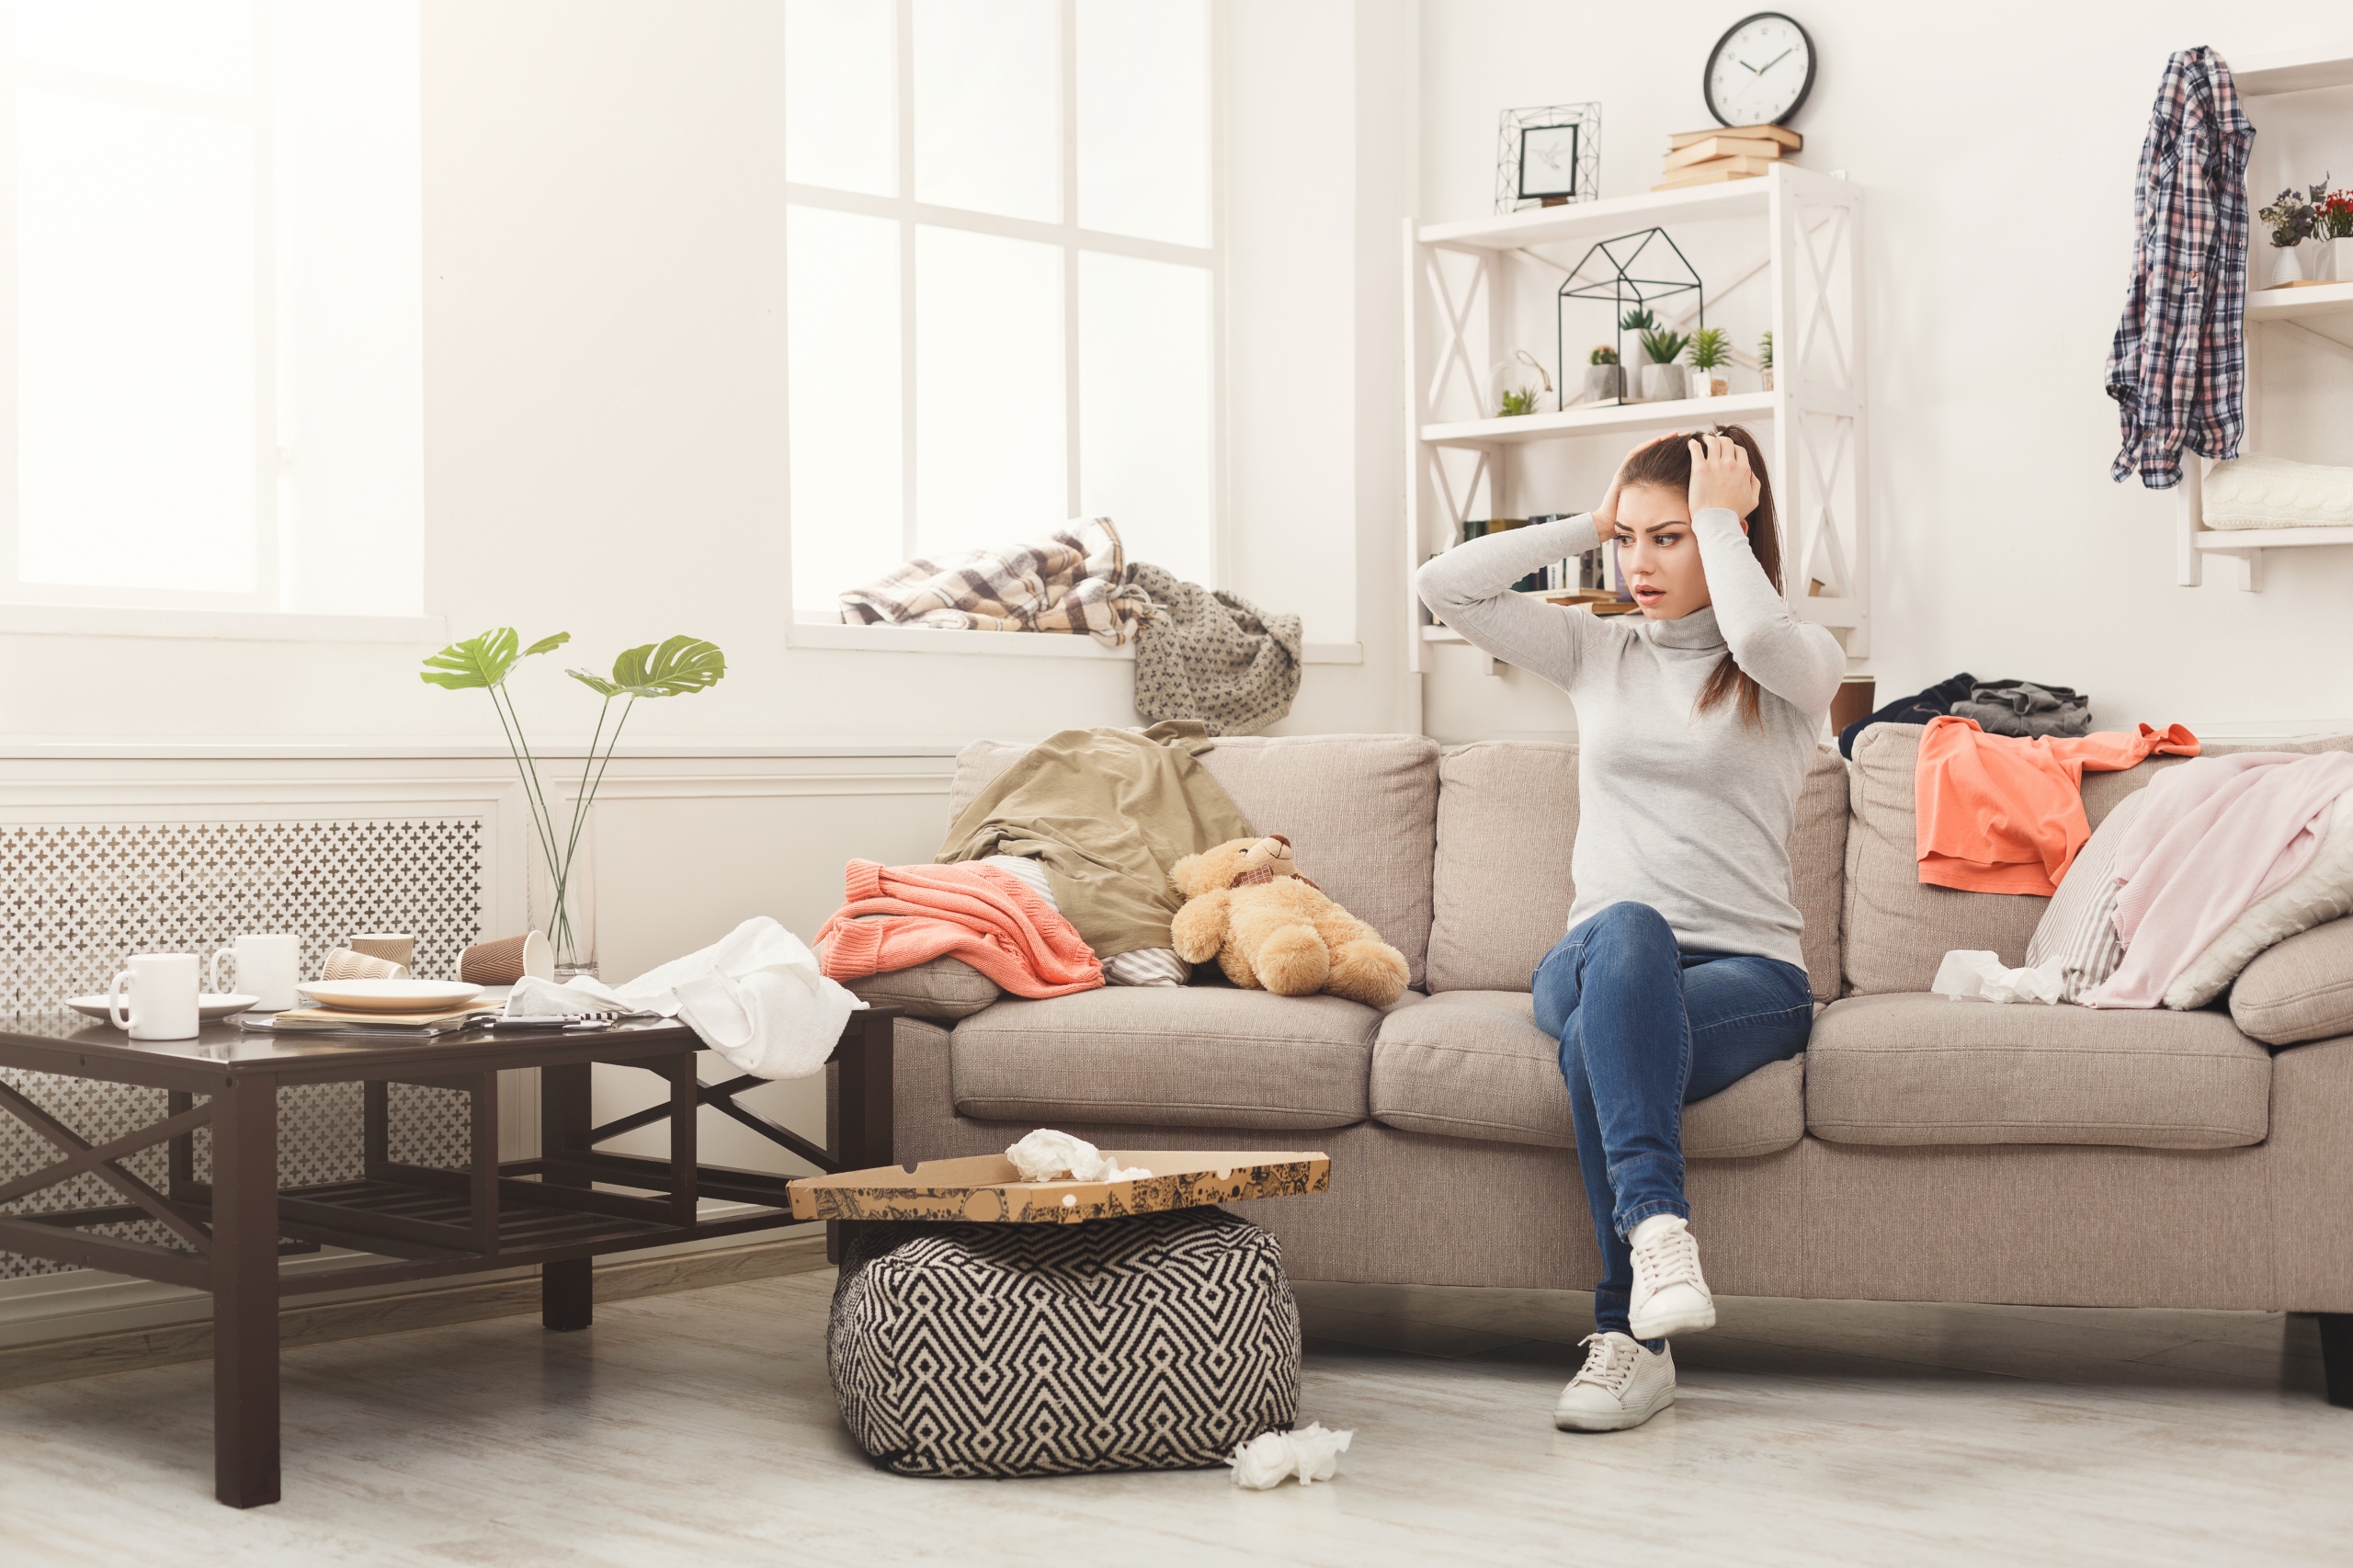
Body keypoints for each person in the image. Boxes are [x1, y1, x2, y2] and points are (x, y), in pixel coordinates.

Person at [1414, 427, 1842, 1433]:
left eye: (1670, 539)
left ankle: (1628, 1341)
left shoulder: (1793, 667)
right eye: (1628, 540)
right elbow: (1445, 583)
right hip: (1596, 949)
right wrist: (1586, 520)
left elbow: (1762, 637)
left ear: (1729, 537)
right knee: (1628, 935)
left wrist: (1720, 521)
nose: (1638, 565)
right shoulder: (1594, 647)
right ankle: (1657, 1232)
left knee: (1604, 1049)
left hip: (1750, 974)